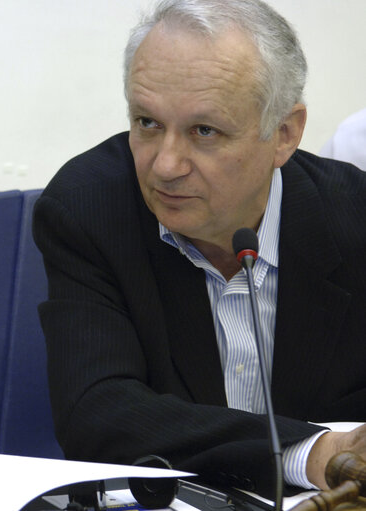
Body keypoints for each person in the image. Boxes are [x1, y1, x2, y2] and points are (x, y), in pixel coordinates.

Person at [33, 0, 366, 499]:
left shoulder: (354, 217)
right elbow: (97, 413)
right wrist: (314, 452)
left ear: (284, 134)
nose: (165, 165)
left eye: (204, 131)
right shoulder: (88, 209)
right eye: (147, 123)